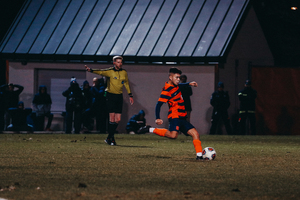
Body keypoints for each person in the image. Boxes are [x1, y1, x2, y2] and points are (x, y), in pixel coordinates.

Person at [138, 67, 204, 160]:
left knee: (196, 134)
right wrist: (157, 118)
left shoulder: (176, 86)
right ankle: (150, 129)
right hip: (174, 116)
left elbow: (180, 86)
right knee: (173, 136)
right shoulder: (166, 90)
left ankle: (199, 156)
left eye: (179, 78)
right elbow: (158, 105)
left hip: (182, 117)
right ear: (170, 77)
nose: (178, 80)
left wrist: (189, 83)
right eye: (176, 77)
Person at [85, 56, 134, 145]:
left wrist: (130, 95)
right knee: (112, 118)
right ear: (114, 63)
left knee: (118, 119)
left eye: (121, 62)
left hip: (119, 96)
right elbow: (100, 72)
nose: (120, 64)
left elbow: (126, 83)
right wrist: (91, 70)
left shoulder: (124, 72)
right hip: (110, 96)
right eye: (118, 62)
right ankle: (112, 139)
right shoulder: (110, 71)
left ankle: (109, 138)